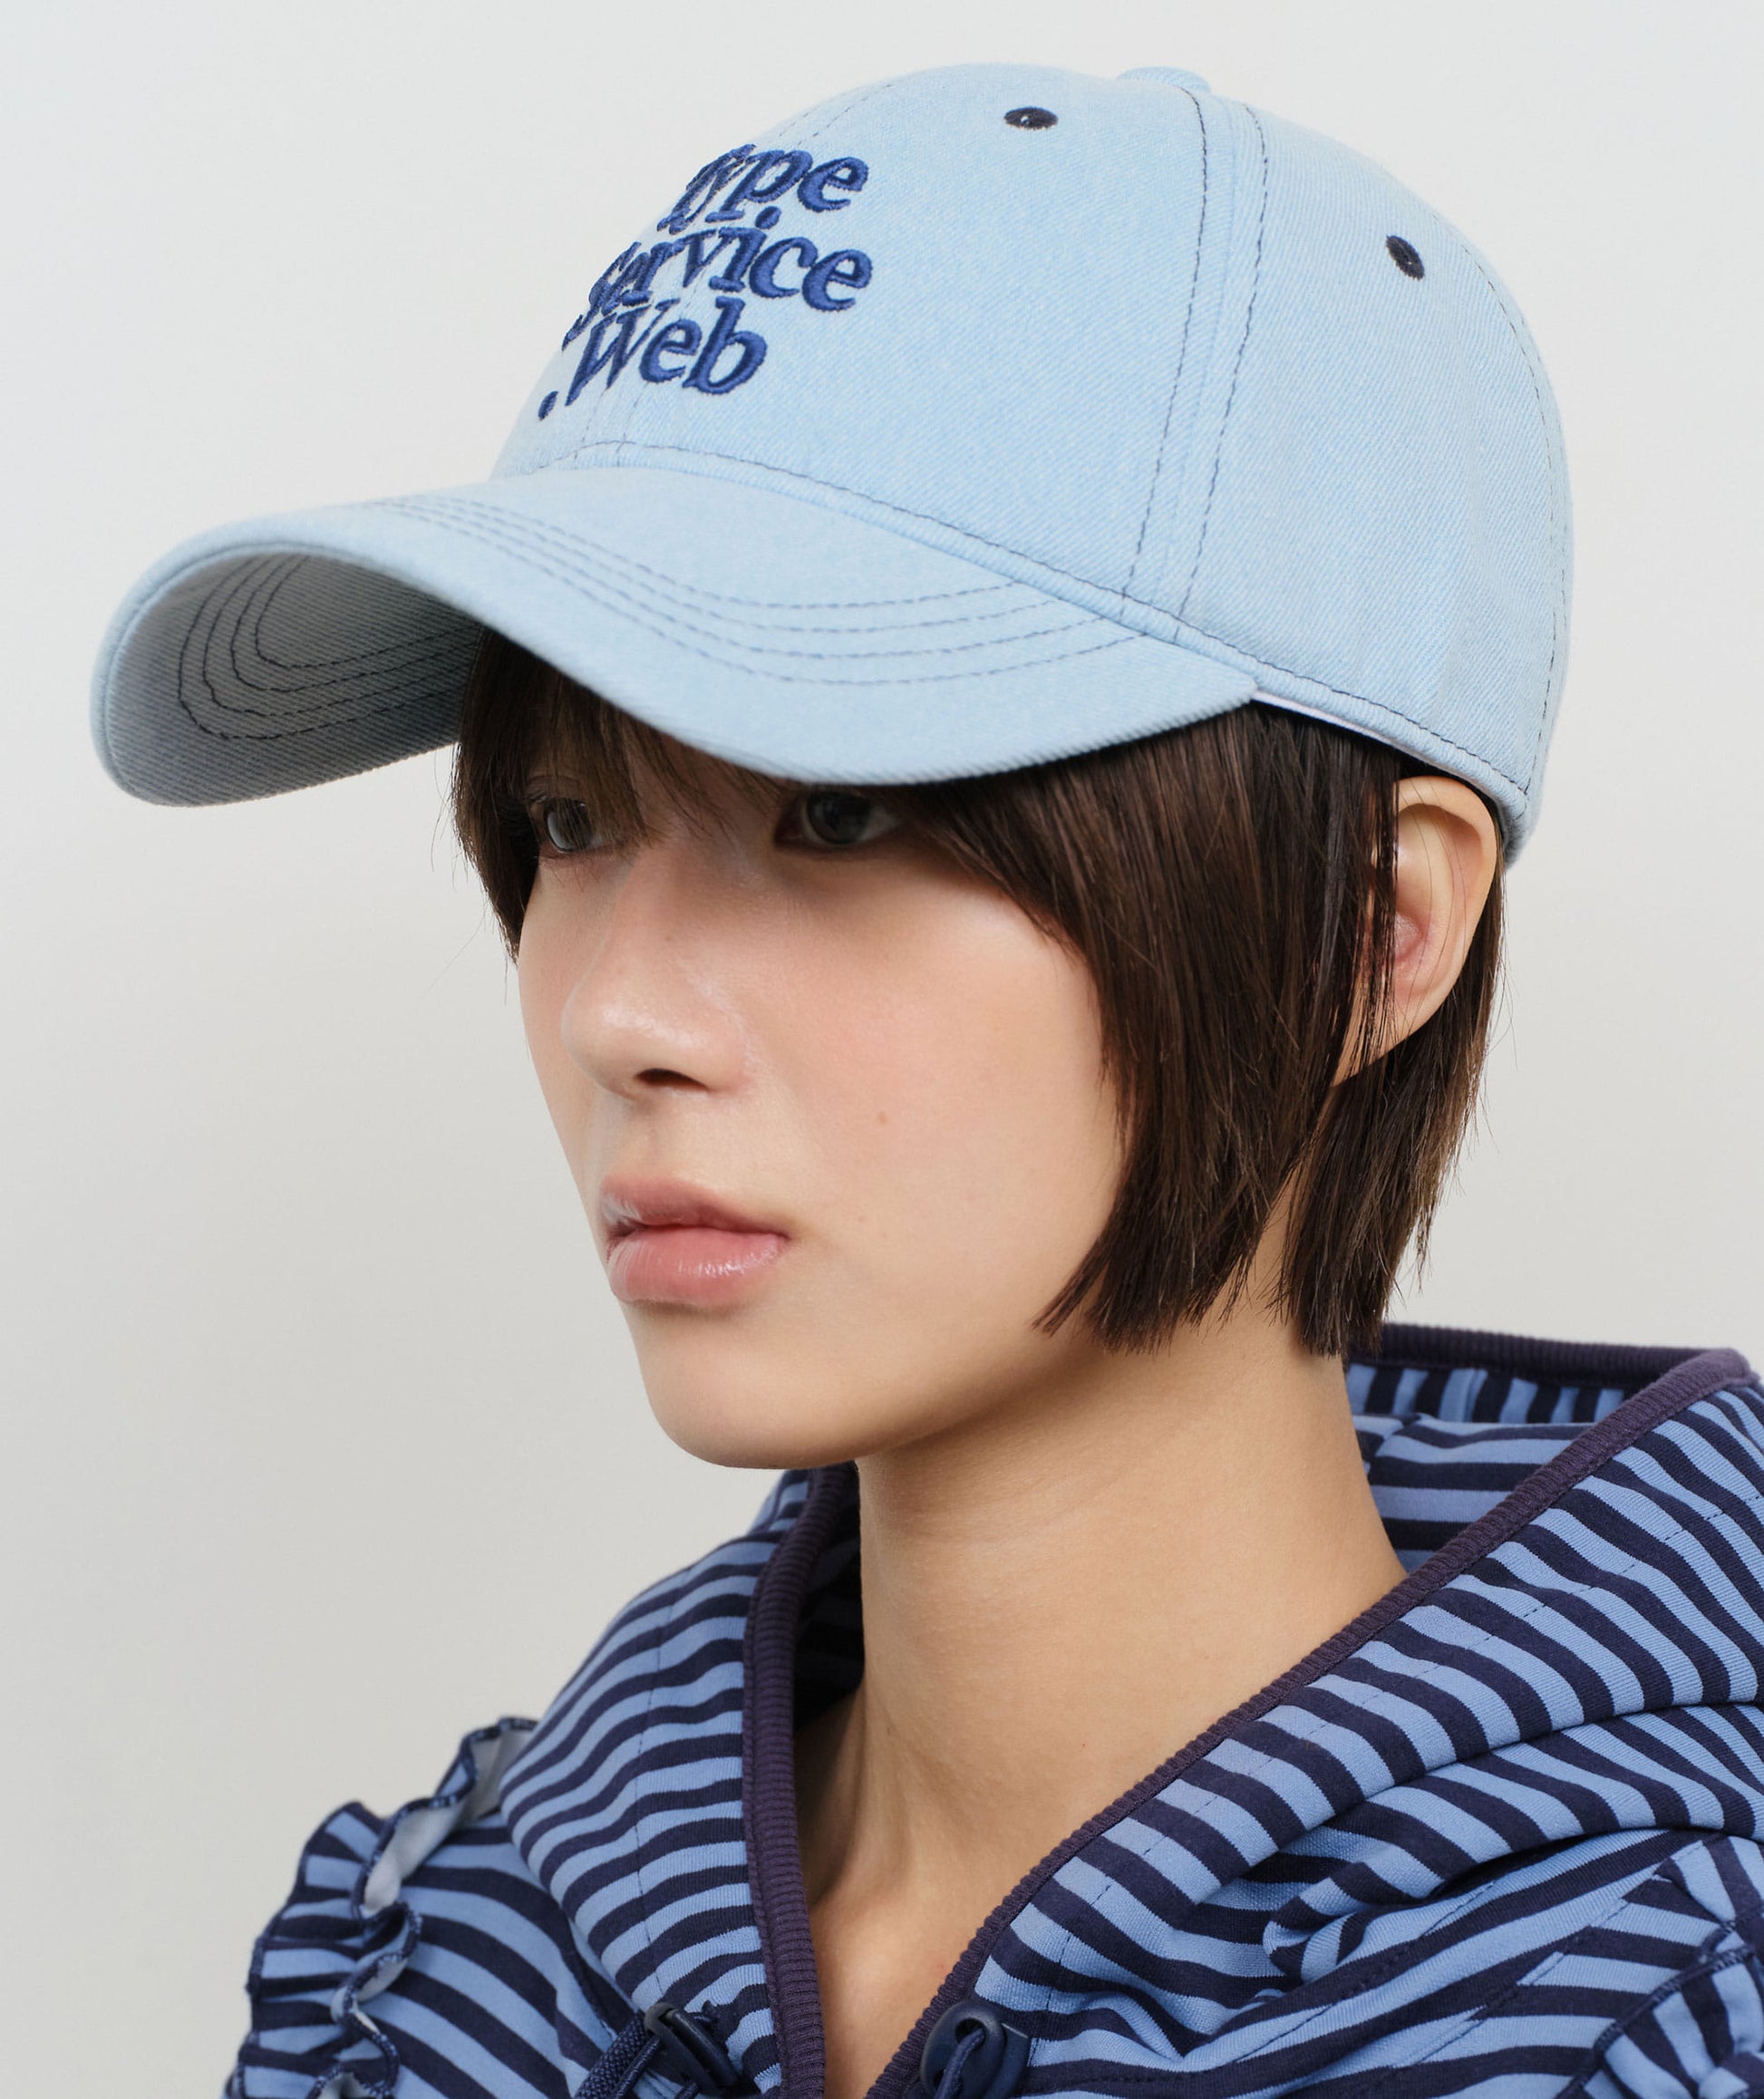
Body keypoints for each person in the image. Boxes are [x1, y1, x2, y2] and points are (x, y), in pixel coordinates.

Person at [91, 59, 1764, 2099]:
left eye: (845, 812)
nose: (620, 1011)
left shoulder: (1651, 2014)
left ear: (1369, 932)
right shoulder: (453, 1962)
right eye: (566, 818)